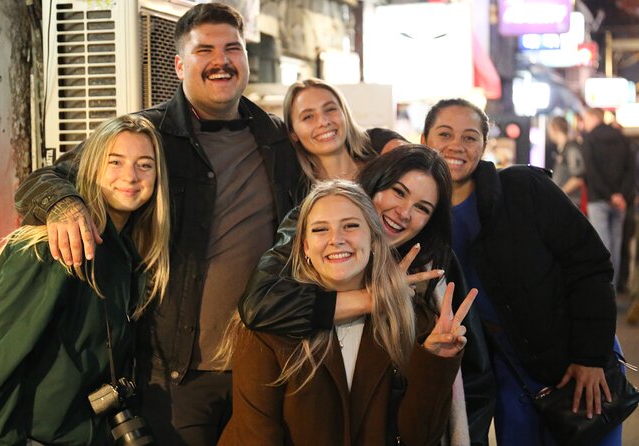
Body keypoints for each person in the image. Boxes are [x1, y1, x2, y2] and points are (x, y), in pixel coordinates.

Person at [13, 3, 302, 444]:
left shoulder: (275, 139)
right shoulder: (145, 133)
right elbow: (42, 179)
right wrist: (63, 206)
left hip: (264, 361)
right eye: (205, 50)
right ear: (180, 64)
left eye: (232, 48)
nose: (221, 61)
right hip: (173, 373)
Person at [240, 145, 496, 445]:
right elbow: (258, 307)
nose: (403, 213)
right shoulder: (315, 229)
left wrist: (438, 358)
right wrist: (376, 299)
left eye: (422, 208)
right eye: (398, 192)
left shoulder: (427, 283)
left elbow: (426, 420)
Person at [421, 98, 619, 446]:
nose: (457, 145)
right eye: (445, 133)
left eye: (470, 137)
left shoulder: (523, 188)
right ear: (424, 141)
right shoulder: (421, 217)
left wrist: (591, 358)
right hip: (508, 375)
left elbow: (590, 266)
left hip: (573, 355)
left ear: (483, 145)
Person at [0, 114, 170, 444]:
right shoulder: (53, 246)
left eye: (145, 165)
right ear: (90, 166)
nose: (130, 177)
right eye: (115, 162)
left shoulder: (129, 255)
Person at [283, 78, 406, 196]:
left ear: (344, 113)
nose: (324, 122)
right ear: (293, 133)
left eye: (330, 109)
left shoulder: (383, 164)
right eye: (308, 117)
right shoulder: (297, 196)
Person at [580, 107, 635, 290]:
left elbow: (592, 172)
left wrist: (608, 194)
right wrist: (620, 195)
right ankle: (613, 288)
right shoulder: (623, 138)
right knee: (616, 247)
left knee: (602, 245)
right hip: (620, 201)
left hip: (599, 199)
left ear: (593, 118)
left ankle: (604, 290)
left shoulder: (590, 140)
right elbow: (631, 172)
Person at [546, 116, 585, 209]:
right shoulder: (564, 149)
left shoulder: (571, 149)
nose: (549, 133)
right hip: (565, 201)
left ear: (555, 129)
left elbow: (578, 178)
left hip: (570, 202)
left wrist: (560, 193)